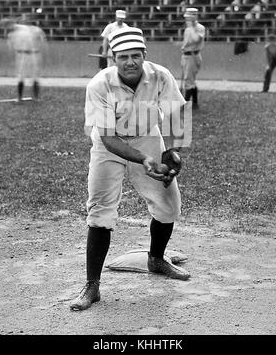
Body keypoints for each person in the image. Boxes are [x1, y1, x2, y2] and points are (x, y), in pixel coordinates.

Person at [70, 26, 191, 312]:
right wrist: (144, 160)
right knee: (100, 210)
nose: (130, 62)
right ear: (113, 58)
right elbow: (109, 139)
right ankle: (92, 285)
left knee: (168, 203)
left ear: (144, 55)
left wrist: (170, 150)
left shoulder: (160, 75)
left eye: (136, 56)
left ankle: (156, 259)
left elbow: (176, 112)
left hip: (148, 135)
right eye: (123, 57)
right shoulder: (99, 85)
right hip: (108, 144)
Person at [0, 15, 47, 101]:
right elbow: (11, 47)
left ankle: (36, 97)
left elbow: (41, 38)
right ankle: (19, 97)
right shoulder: (12, 33)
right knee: (20, 76)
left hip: (33, 54)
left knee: (35, 76)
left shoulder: (30, 29)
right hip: (21, 54)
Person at [180, 8, 205, 109]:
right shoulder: (187, 29)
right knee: (190, 80)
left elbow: (196, 39)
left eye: (189, 17)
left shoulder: (199, 28)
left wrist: (193, 27)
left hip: (193, 56)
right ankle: (195, 103)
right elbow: (186, 43)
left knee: (189, 81)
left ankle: (185, 104)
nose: (187, 20)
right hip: (186, 55)